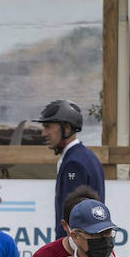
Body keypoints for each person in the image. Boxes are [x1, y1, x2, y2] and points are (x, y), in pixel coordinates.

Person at [39, 99, 105, 238]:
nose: (43, 133)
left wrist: (63, 248)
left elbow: (73, 217)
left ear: (67, 128)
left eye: (48, 126)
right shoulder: (87, 156)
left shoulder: (74, 163)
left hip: (75, 247)